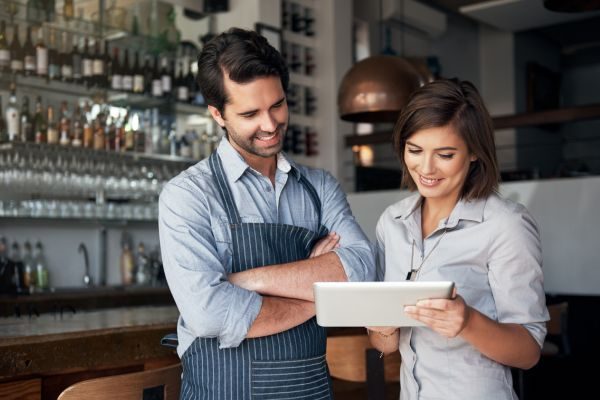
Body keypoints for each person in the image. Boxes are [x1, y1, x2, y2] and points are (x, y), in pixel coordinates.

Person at [158, 27, 375, 399]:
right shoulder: (187, 196)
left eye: (277, 105)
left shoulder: (319, 188)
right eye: (250, 113)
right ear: (217, 114)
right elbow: (209, 313)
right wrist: (318, 293)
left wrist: (243, 280)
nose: (270, 125)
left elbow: (362, 270)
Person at [368, 78, 549, 400]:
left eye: (445, 154)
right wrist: (379, 326)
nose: (426, 167)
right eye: (415, 150)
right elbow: (386, 345)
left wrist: (467, 321)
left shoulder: (506, 225)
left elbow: (529, 352)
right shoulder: (391, 222)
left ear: (475, 153)